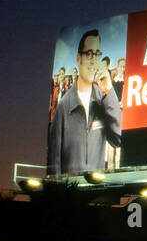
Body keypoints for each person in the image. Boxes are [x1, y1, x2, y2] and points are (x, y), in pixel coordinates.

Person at [47, 29, 122, 176]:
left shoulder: (103, 100)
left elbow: (117, 138)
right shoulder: (63, 106)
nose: (94, 60)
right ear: (78, 59)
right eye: (89, 54)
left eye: (97, 54)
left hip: (97, 187)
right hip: (70, 191)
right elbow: (54, 161)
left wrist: (109, 91)